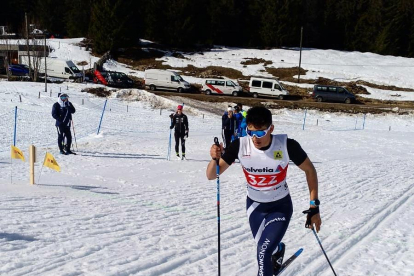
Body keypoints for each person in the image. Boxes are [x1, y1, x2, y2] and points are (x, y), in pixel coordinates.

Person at [206, 106, 321, 276]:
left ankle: (271, 256)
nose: (255, 138)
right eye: (250, 132)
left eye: (260, 133)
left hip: (280, 206)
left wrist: (314, 207)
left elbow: (310, 170)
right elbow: (211, 175)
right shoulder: (240, 145)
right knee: (267, 248)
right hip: (255, 208)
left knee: (262, 251)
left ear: (271, 129)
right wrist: (214, 158)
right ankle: (278, 251)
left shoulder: (286, 145)